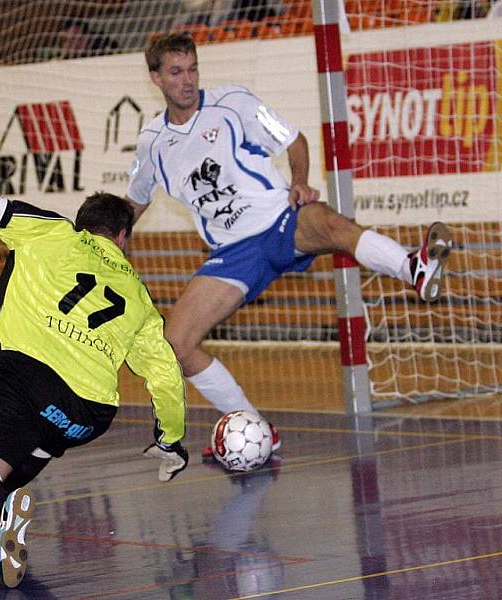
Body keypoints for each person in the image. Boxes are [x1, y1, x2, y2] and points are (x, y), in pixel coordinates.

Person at [126, 33, 452, 457]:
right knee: (177, 344)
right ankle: (257, 429)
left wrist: (299, 182)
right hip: (233, 253)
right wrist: (100, 245)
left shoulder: (234, 103)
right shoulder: (152, 141)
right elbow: (133, 202)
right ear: (156, 78)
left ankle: (414, 268)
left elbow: (294, 140)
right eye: (175, 72)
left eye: (192, 69)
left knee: (330, 222)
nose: (187, 80)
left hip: (280, 220)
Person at [0, 181, 188, 588]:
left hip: (25, 375)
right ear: (122, 237)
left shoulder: (53, 230)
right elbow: (167, 377)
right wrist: (170, 441)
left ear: (83, 224)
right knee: (36, 435)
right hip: (88, 414)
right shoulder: (140, 297)